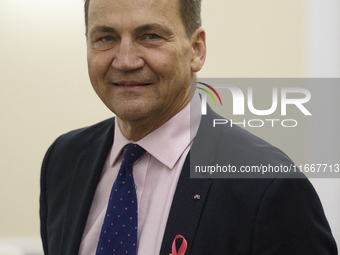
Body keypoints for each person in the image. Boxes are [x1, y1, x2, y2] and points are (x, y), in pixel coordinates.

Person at [40, 0, 337, 254]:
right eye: (106, 38)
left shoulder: (268, 187)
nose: (126, 60)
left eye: (150, 36)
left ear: (196, 50)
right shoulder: (64, 160)